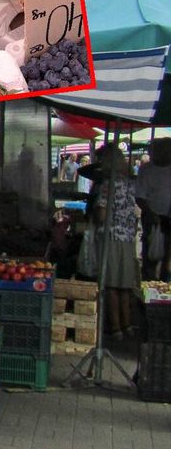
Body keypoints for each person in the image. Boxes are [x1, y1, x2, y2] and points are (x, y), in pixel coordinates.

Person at [91, 144, 140, 338]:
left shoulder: (107, 184)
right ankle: (127, 325)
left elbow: (101, 214)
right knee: (125, 284)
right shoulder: (129, 183)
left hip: (111, 237)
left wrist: (94, 212)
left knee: (110, 283)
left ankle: (115, 327)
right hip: (127, 238)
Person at [136, 138, 171, 280]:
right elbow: (139, 196)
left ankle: (164, 283)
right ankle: (148, 285)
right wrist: (151, 214)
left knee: (167, 256)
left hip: (169, 217)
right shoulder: (146, 170)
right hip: (151, 218)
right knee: (150, 253)